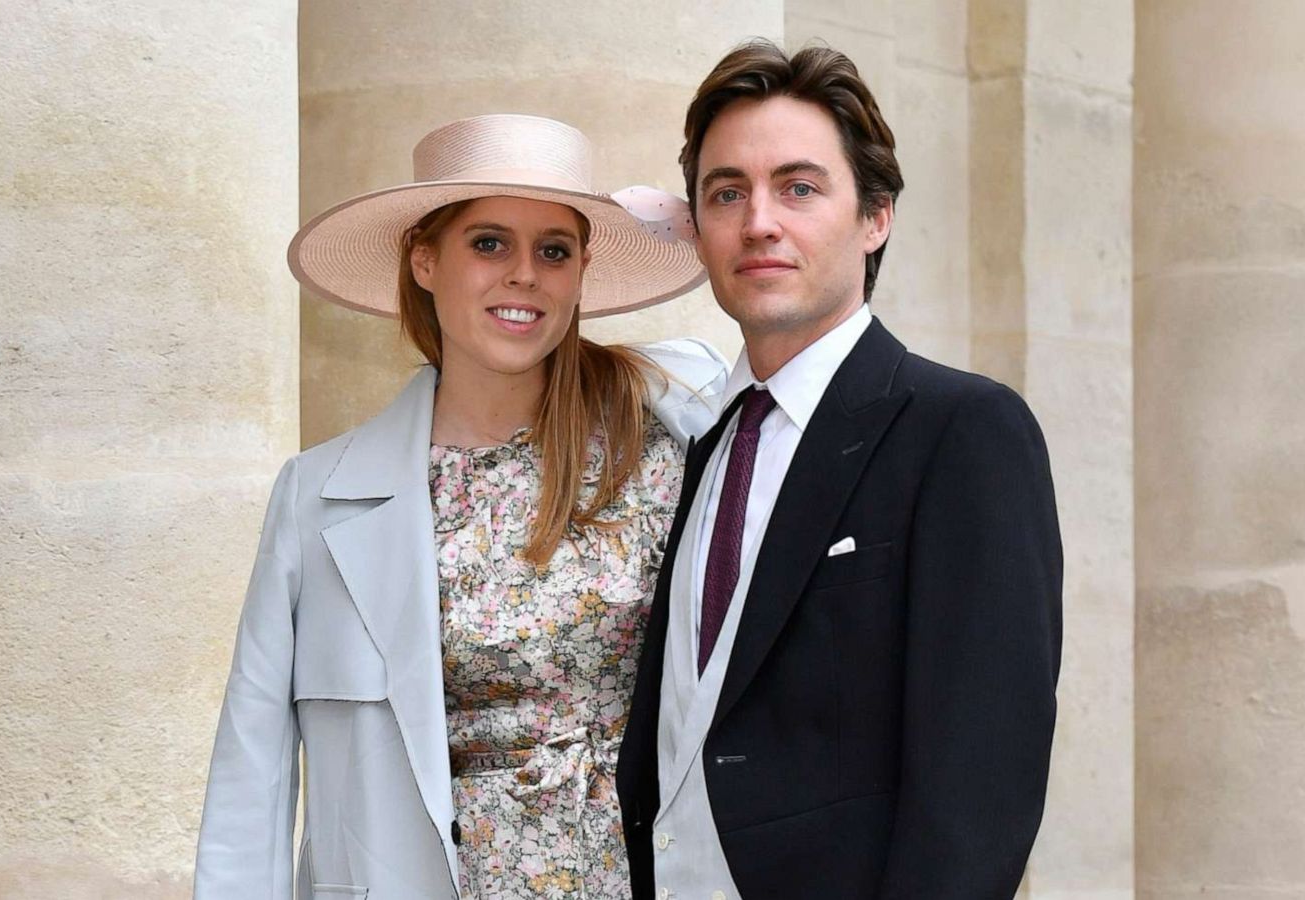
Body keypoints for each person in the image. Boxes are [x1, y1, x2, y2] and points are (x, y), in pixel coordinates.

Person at [194, 114, 727, 899]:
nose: (525, 275)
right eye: (488, 243)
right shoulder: (318, 495)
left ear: (581, 271)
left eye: (553, 250)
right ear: (424, 260)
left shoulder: (665, 442)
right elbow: (253, 771)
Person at [616, 42, 1064, 899]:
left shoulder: (963, 432)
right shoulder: (700, 448)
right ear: (699, 229)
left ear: (875, 218)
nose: (759, 222)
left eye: (799, 187)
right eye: (726, 192)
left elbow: (981, 785)